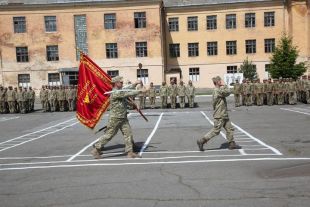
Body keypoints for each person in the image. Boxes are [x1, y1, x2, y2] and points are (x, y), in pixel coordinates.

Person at [91, 76, 142, 159]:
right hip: (115, 118)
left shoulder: (119, 91)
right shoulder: (115, 92)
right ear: (116, 83)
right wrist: (140, 91)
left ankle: (130, 152)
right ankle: (96, 149)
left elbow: (126, 91)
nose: (122, 83)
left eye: (122, 82)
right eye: (121, 82)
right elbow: (127, 93)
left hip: (123, 117)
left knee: (128, 133)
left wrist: (135, 84)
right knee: (109, 135)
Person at [196, 76, 239, 151]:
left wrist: (222, 86)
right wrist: (225, 85)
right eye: (220, 81)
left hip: (224, 113)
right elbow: (228, 92)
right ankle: (202, 141)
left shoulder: (219, 90)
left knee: (230, 128)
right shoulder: (217, 90)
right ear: (217, 82)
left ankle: (231, 143)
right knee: (216, 130)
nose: (221, 82)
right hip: (220, 114)